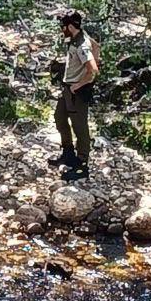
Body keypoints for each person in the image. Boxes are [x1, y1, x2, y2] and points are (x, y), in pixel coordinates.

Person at [50, 10, 99, 181]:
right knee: (60, 118)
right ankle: (68, 153)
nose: (62, 29)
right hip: (67, 88)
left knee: (80, 128)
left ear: (70, 27)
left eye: (64, 27)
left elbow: (93, 71)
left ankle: (82, 165)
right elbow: (97, 47)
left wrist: (79, 85)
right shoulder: (78, 37)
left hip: (76, 92)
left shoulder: (81, 45)